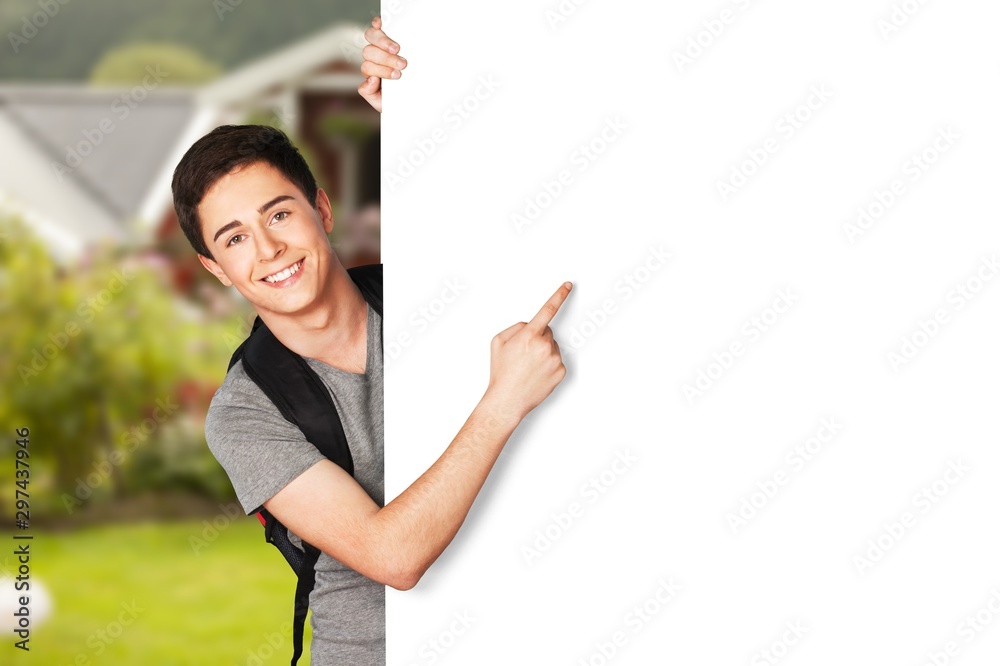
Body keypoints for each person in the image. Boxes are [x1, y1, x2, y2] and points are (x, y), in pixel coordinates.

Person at [170, 17, 571, 665]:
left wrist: (424, 96)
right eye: (235, 238)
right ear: (217, 269)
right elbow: (393, 557)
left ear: (321, 211)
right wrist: (503, 403)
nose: (268, 249)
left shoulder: (427, 297)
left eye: (279, 214)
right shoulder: (244, 412)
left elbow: (525, 209)